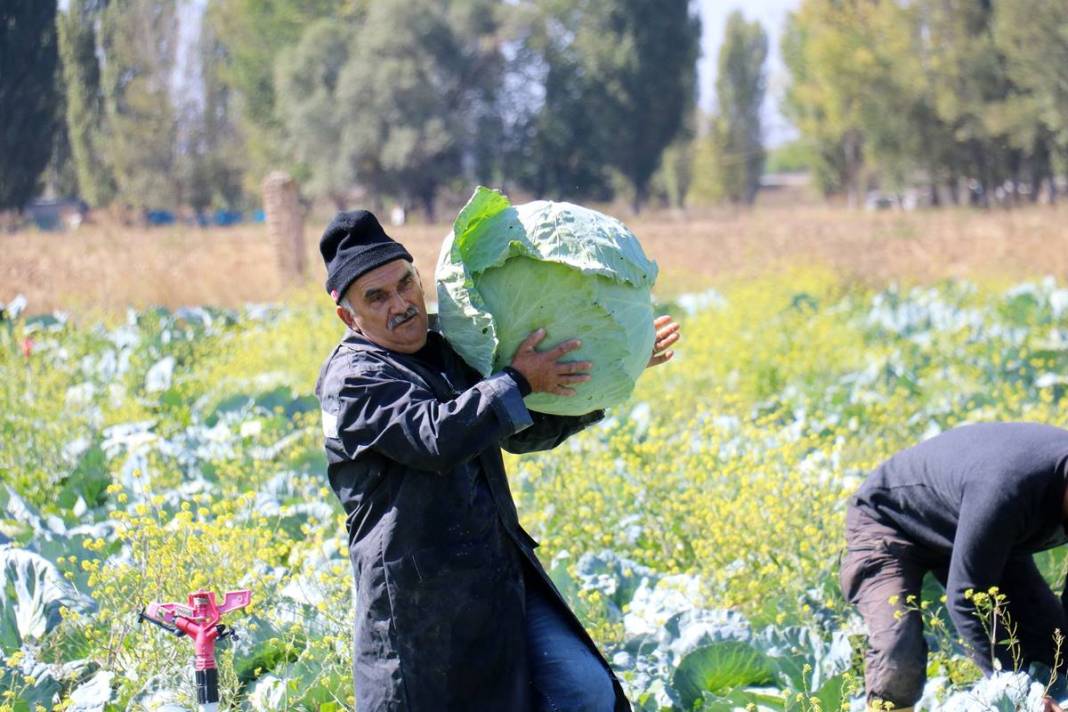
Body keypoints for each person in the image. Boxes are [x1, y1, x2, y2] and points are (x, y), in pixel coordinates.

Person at [313, 209, 680, 711]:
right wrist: (519, 379)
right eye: (376, 297)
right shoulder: (354, 379)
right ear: (348, 316)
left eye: (405, 283)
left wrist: (611, 369)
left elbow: (517, 430)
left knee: (583, 688)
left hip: (496, 573)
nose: (402, 304)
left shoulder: (448, 349)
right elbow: (436, 437)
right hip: (422, 598)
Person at [842, 421, 1068, 711]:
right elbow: (967, 597)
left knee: (1051, 645)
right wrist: (1019, 693)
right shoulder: (1007, 489)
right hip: (889, 522)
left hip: (973, 526)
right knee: (899, 650)